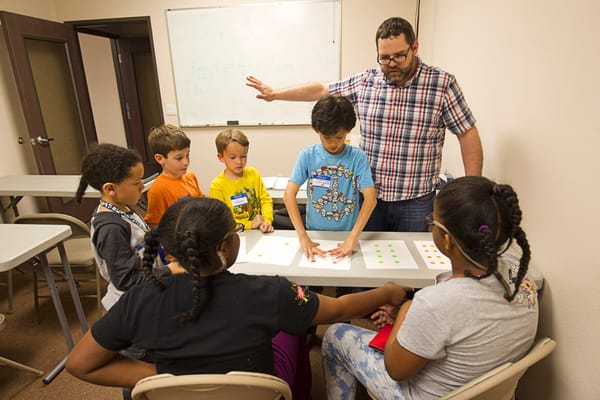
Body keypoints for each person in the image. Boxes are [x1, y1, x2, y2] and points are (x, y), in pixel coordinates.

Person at [65, 197, 409, 399]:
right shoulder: (270, 292)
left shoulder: (140, 298)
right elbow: (339, 308)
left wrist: (159, 376)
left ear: (167, 250)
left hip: (171, 393)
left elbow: (79, 364)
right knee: (292, 327)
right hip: (255, 391)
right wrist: (389, 292)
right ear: (226, 246)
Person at [246, 16, 483, 232]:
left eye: (399, 56)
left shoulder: (442, 84)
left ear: (415, 48)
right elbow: (321, 90)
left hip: (415, 201)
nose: (391, 63)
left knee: (408, 270)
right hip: (370, 198)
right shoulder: (366, 81)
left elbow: (466, 132)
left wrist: (472, 190)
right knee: (367, 266)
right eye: (384, 58)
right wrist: (276, 94)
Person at [321, 176, 539, 400]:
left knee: (335, 335)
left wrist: (407, 309)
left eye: (432, 222)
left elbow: (395, 369)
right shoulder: (522, 275)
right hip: (489, 389)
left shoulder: (434, 303)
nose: (430, 224)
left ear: (446, 240)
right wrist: (411, 320)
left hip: (429, 394)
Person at [75, 143, 174, 314]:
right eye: (136, 183)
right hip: (132, 304)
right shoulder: (110, 229)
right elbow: (126, 280)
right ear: (110, 189)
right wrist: (169, 271)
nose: (142, 187)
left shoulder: (123, 207)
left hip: (148, 289)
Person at [285, 95, 376, 260]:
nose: (333, 143)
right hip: (315, 233)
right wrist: (303, 235)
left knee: (347, 282)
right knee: (314, 282)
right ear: (317, 130)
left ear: (348, 131)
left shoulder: (358, 157)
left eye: (339, 137)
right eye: (327, 137)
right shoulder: (307, 155)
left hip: (348, 234)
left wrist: (352, 238)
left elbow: (370, 199)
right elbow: (289, 195)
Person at [210, 128, 274, 233]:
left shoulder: (253, 174)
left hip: (260, 230)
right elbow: (221, 221)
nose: (239, 162)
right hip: (237, 235)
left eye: (243, 156)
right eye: (232, 157)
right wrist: (250, 225)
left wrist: (266, 221)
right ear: (221, 157)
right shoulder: (217, 185)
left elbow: (265, 200)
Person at [144, 124, 205, 226]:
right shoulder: (157, 190)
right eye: (179, 158)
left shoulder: (190, 176)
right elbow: (155, 225)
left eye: (187, 155)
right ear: (160, 159)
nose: (186, 162)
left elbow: (202, 204)